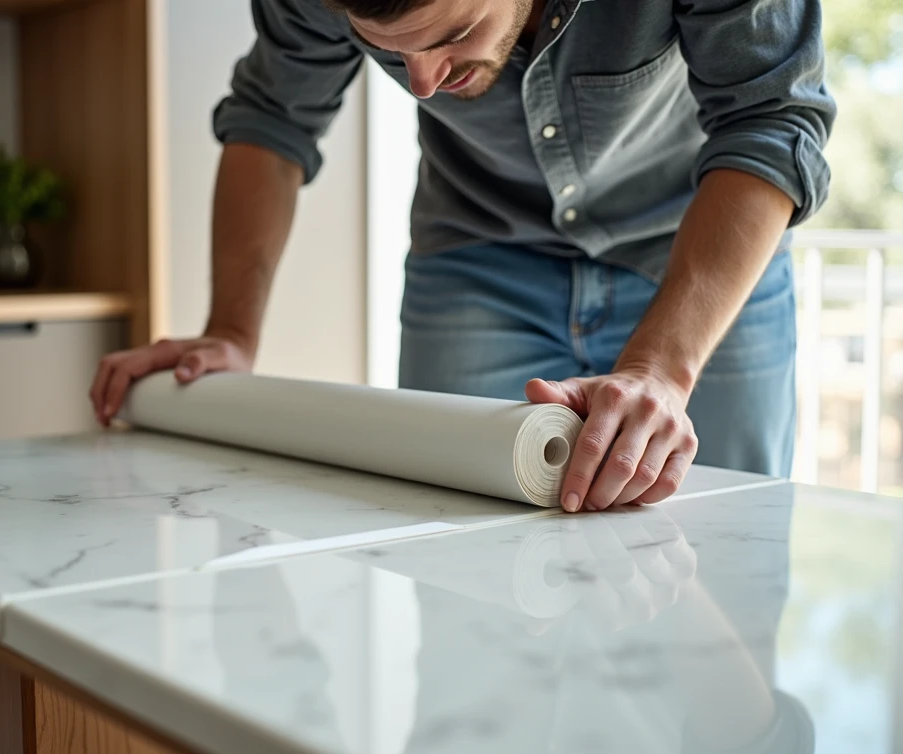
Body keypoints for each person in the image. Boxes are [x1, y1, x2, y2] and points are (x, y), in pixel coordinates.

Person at [89, 0, 836, 512]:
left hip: (702, 254)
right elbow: (272, 120)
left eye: (455, 34)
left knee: (723, 557)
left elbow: (772, 120)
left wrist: (662, 369)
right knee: (459, 578)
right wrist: (229, 331)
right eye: (391, 52)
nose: (422, 83)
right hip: (477, 257)